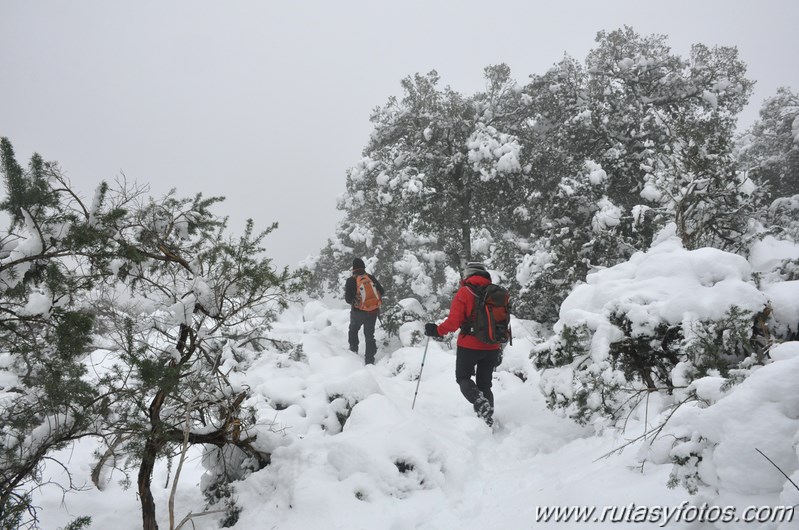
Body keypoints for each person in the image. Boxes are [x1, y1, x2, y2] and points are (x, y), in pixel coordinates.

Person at [425, 262, 501, 427]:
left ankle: (479, 403)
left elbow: (453, 322)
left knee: (463, 377)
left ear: (468, 275)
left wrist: (437, 330)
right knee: (485, 384)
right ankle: (488, 420)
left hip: (470, 345)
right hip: (493, 346)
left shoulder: (465, 292)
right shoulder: (496, 292)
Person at [345, 258, 385, 365]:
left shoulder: (351, 280)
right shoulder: (370, 278)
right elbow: (382, 291)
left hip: (358, 312)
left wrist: (356, 300)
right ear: (363, 267)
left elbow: (348, 299)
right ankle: (369, 360)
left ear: (354, 269)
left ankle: (354, 352)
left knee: (353, 330)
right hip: (372, 311)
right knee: (369, 335)